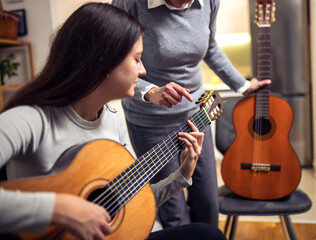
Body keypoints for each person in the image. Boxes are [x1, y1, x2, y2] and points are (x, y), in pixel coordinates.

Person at [0, 3, 227, 240]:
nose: (143, 71)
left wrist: (181, 175)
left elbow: (128, 198)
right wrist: (62, 210)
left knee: (208, 234)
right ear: (102, 61)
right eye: (137, 59)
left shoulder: (113, 122)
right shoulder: (31, 119)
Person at [112, 0, 272, 229]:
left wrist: (242, 85)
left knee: (207, 205)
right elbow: (115, 60)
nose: (187, 3)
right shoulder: (130, 3)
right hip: (151, 122)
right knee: (174, 214)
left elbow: (211, 47)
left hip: (197, 116)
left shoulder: (209, 2)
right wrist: (150, 91)